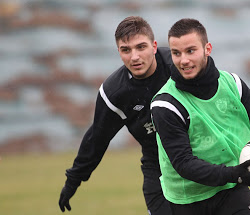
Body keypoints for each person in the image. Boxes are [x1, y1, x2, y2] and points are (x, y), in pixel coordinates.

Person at [150, 18, 250, 215]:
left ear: (207, 48)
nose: (183, 60)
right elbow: (184, 164)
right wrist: (236, 174)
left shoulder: (233, 84)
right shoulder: (165, 104)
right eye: (176, 53)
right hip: (187, 199)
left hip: (230, 189)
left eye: (190, 51)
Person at [58, 16, 173, 215]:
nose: (134, 57)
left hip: (201, 157)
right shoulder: (114, 93)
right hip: (159, 167)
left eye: (141, 47)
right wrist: (73, 181)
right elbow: (97, 140)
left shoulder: (177, 67)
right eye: (126, 50)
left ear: (154, 46)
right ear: (118, 52)